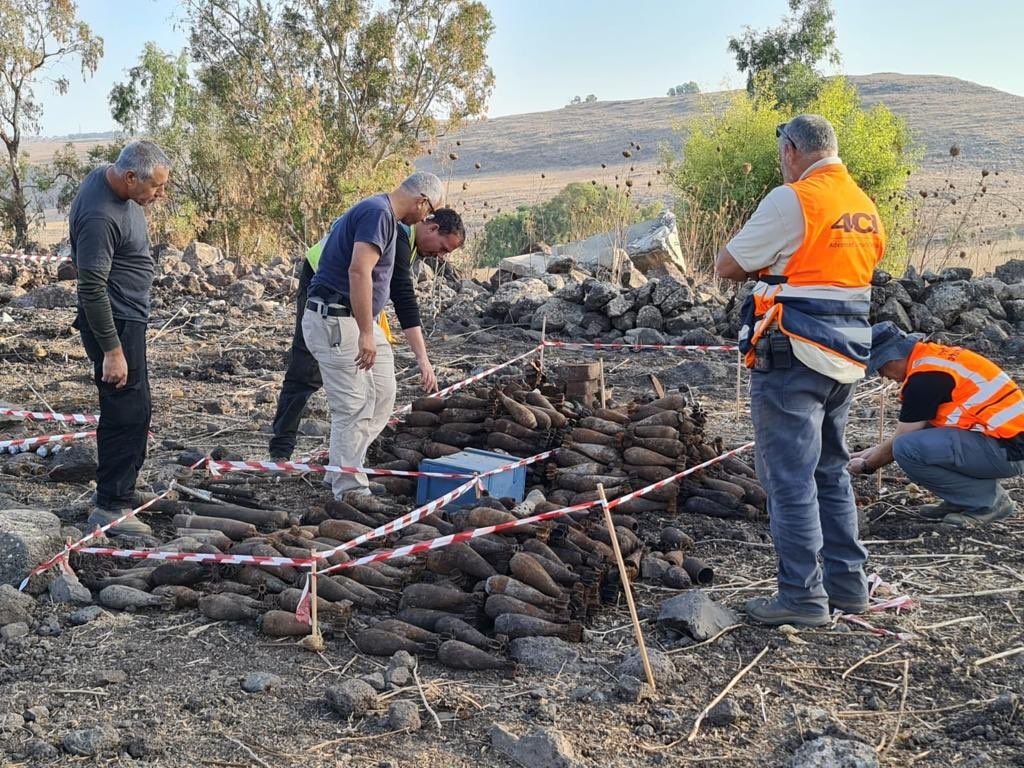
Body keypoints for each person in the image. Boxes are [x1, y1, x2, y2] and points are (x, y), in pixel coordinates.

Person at [715, 114, 885, 626]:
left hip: (792, 356)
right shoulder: (863, 204)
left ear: (791, 149)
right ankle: (849, 588)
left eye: (781, 153)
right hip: (845, 358)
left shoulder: (794, 199)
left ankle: (801, 597)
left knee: (789, 479)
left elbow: (728, 265)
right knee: (829, 471)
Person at [268, 207, 465, 459]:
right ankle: (281, 449)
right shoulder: (400, 235)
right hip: (323, 283)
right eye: (443, 248)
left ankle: (350, 453)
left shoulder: (413, 243)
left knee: (374, 379)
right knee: (306, 368)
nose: (440, 256)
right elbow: (403, 297)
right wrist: (422, 359)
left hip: (352, 298)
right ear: (432, 226)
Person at [302, 172, 444, 498]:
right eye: (429, 210)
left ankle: (345, 467)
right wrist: (367, 332)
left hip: (357, 319)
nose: (425, 218)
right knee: (352, 407)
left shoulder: (390, 221)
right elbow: (359, 270)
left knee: (382, 393)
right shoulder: (378, 213)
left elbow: (398, 290)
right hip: (337, 319)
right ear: (422, 201)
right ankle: (349, 487)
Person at [70, 140, 171, 536]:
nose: (160, 195)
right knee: (125, 411)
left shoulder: (109, 181)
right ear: (130, 178)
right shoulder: (100, 214)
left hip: (129, 317)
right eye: (155, 188)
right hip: (114, 322)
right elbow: (91, 289)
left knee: (137, 407)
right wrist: (112, 350)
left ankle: (124, 485)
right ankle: (110, 507)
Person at [849, 322, 1022, 526]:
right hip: (1007, 442)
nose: (882, 375)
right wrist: (868, 452)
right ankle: (962, 499)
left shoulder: (922, 380)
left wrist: (866, 466)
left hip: (1008, 452)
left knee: (906, 449)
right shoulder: (932, 360)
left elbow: (901, 441)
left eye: (880, 366)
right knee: (921, 438)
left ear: (893, 357)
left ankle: (987, 503)